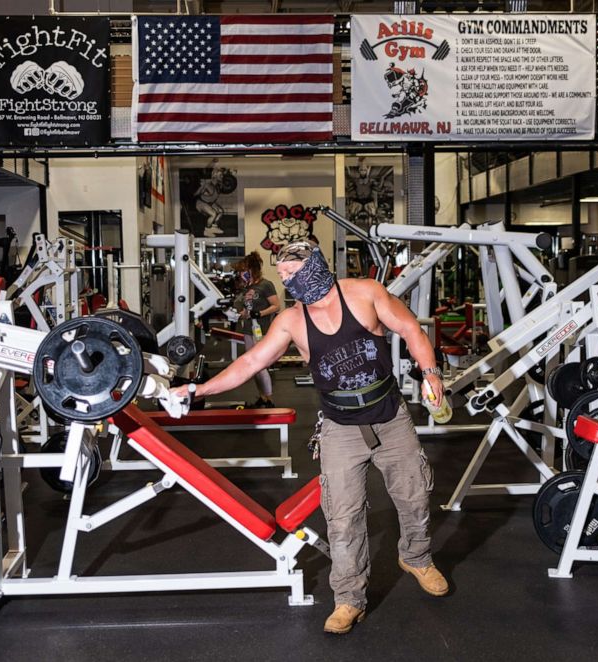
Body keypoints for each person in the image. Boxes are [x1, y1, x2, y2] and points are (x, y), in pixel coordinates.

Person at [172, 240, 448, 634]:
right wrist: (197, 390)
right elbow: (251, 362)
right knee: (342, 517)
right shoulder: (291, 320)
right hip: (340, 426)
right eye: (282, 276)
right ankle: (349, 599)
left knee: (415, 494)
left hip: (390, 416)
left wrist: (431, 372)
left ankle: (417, 557)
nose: (285, 282)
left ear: (313, 265)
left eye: (290, 274)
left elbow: (408, 328)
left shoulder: (364, 293)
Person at [231, 252, 280, 408]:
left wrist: (259, 313)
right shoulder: (247, 288)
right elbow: (246, 311)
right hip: (248, 330)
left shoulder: (266, 285)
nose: (241, 273)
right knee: (253, 367)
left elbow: (276, 306)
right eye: (241, 271)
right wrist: (238, 315)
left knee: (260, 365)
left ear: (253, 269)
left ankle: (270, 400)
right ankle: (263, 397)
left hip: (262, 330)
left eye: (244, 270)